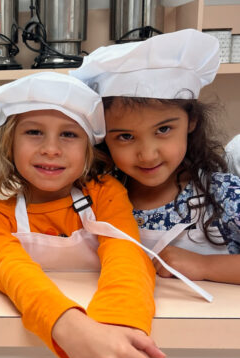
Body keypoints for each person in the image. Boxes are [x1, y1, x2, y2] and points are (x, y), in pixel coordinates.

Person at [0, 72, 166, 358]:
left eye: (69, 134)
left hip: (107, 347)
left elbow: (127, 258)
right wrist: (79, 337)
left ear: (88, 149)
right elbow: (18, 278)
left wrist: (115, 330)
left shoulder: (105, 194)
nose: (50, 148)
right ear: (9, 144)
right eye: (33, 132)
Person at [71, 29, 240, 285]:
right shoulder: (93, 198)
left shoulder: (224, 195)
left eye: (163, 130)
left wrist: (206, 265)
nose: (147, 155)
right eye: (125, 137)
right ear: (103, 139)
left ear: (191, 121)